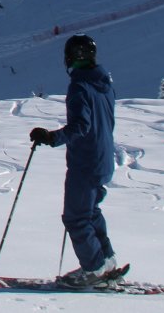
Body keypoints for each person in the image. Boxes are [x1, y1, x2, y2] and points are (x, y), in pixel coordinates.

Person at [29, 33, 121, 287]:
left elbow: (81, 126)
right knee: (90, 213)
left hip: (85, 162)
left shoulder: (79, 87)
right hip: (102, 160)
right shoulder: (104, 85)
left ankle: (93, 269)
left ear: (69, 58)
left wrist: (51, 137)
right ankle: (106, 260)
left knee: (76, 217)